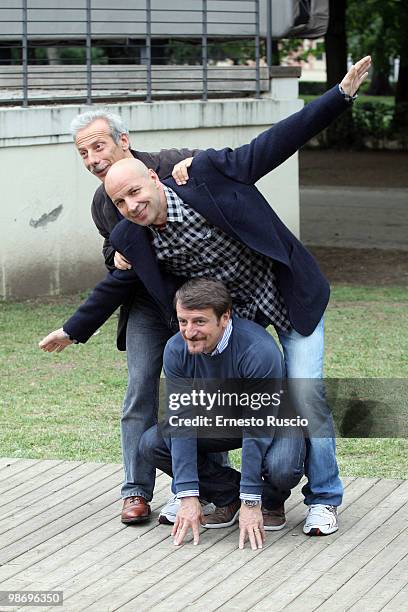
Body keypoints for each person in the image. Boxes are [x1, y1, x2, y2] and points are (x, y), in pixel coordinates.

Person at [39, 56, 372, 536]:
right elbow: (116, 284)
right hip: (242, 316)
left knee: (305, 394)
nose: (132, 206)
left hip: (288, 296)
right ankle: (229, 491)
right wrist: (72, 330)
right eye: (120, 202)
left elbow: (274, 144)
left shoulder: (205, 174)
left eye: (135, 192)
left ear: (152, 177)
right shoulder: (132, 236)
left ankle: (323, 499)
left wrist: (338, 96)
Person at [68, 110, 211, 524]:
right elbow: (113, 254)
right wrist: (112, 256)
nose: (93, 159)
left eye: (99, 146)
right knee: (140, 391)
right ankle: (135, 491)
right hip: (148, 303)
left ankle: (207, 488)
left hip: (200, 302)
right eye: (83, 154)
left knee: (206, 395)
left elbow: (226, 167)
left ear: (124, 141)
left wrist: (196, 162)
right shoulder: (102, 204)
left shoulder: (169, 162)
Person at [140, 277, 306, 550]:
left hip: (273, 420)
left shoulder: (257, 351)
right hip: (221, 421)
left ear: (225, 318)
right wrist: (188, 495)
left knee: (283, 466)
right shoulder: (175, 350)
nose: (190, 331)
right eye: (183, 321)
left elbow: (258, 428)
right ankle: (228, 496)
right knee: (153, 442)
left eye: (199, 322)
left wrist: (252, 501)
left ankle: (270, 502)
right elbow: (181, 421)